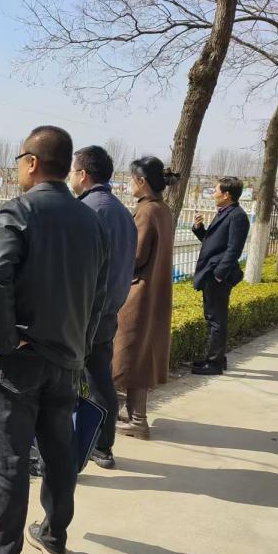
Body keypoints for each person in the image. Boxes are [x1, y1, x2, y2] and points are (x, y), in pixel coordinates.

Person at [0, 125, 108, 554]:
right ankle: (54, 537)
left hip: (21, 358)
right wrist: (81, 343)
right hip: (67, 358)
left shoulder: (18, 210)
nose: (19, 168)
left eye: (20, 159)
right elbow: (100, 294)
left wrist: (3, 340)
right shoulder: (91, 221)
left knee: (8, 457)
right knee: (60, 453)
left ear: (33, 162)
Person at [69, 146, 137, 469]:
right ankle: (103, 446)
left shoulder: (86, 211)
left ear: (83, 175)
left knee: (72, 383)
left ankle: (75, 448)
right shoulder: (123, 213)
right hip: (109, 312)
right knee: (100, 380)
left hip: (83, 314)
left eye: (72, 172)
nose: (70, 177)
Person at [114, 156, 178, 441]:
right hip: (154, 291)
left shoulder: (146, 211)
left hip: (138, 294)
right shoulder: (162, 210)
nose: (129, 184)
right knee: (139, 354)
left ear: (141, 181)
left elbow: (136, 256)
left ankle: (138, 420)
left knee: (131, 356)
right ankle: (131, 413)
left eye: (131, 179)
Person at [191, 175, 250, 375]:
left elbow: (234, 250)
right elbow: (213, 244)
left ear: (226, 195)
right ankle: (217, 358)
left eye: (216, 190)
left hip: (218, 276)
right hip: (211, 272)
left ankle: (214, 363)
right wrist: (199, 229)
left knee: (216, 319)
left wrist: (218, 274)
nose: (213, 194)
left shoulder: (237, 216)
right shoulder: (225, 212)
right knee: (212, 317)